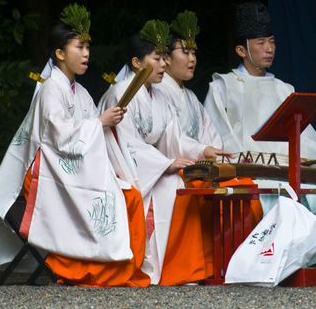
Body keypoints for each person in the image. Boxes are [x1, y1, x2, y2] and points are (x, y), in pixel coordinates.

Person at [0, 4, 149, 287]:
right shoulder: (50, 89)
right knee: (117, 198)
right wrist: (100, 123)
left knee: (130, 194)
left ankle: (120, 269)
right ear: (60, 53)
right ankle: (91, 270)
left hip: (69, 169)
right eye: (79, 47)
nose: (86, 54)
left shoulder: (79, 91)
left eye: (88, 48)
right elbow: (58, 136)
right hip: (46, 173)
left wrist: (105, 122)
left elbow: (83, 135)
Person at [204, 2, 316, 265]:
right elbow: (219, 137)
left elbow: (306, 139)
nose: (269, 48)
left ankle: (315, 262)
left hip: (289, 167)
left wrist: (312, 161)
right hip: (251, 168)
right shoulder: (223, 86)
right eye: (261, 42)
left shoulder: (284, 88)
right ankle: (265, 262)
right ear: (242, 50)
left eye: (272, 42)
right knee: (274, 191)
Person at [98, 19, 229, 285]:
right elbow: (125, 143)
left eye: (164, 58)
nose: (163, 65)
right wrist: (165, 164)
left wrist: (203, 149)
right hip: (125, 171)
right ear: (137, 63)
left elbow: (174, 136)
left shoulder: (156, 96)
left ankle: (186, 267)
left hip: (149, 167)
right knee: (173, 187)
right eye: (157, 59)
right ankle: (165, 267)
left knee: (180, 184)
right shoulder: (120, 93)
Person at [157, 10, 222, 148]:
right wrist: (201, 151)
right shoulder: (158, 92)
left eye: (194, 53)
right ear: (167, 57)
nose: (192, 59)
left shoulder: (191, 97)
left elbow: (211, 135)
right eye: (185, 52)